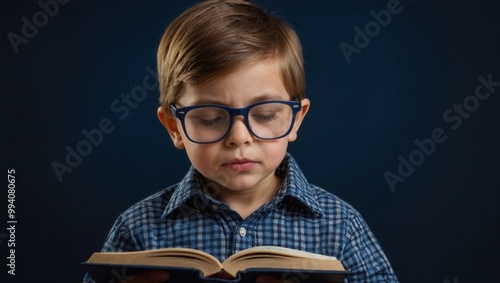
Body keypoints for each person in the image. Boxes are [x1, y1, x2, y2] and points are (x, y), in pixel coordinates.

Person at [83, 0, 399, 282]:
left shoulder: (341, 226)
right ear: (174, 126)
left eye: (264, 114)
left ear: (295, 119)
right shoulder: (138, 228)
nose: (239, 138)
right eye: (209, 118)